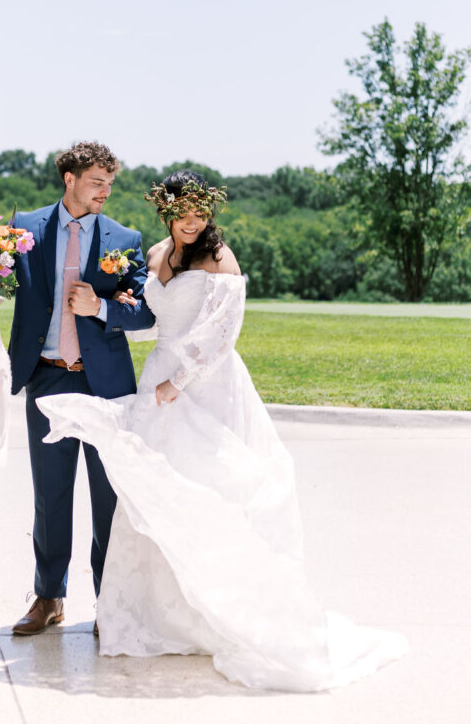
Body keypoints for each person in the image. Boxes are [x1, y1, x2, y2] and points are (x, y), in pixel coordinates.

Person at [37, 170, 409, 691]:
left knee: (207, 489)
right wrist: (107, 316)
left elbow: (220, 333)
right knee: (154, 495)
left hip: (202, 386)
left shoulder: (220, 258)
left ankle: (221, 613)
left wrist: (178, 382)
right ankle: (158, 615)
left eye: (200, 214)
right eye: (183, 214)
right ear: (166, 212)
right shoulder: (157, 254)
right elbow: (148, 316)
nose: (193, 223)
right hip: (157, 378)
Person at [0, 141, 155, 635]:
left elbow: (144, 311)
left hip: (106, 386)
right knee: (50, 496)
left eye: (110, 184)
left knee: (107, 498)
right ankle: (49, 598)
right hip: (46, 375)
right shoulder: (25, 226)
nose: (105, 192)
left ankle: (108, 603)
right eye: (97, 182)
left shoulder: (125, 237)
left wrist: (102, 308)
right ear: (69, 179)